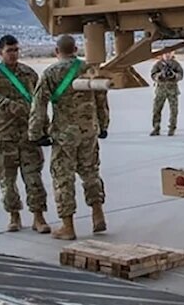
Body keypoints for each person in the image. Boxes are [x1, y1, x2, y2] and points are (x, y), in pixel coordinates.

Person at [29, 34, 109, 240]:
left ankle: (68, 226)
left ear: (57, 52)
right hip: (89, 131)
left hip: (64, 135)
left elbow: (39, 105)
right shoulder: (89, 69)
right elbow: (101, 98)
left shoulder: (50, 73)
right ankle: (97, 213)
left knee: (63, 178)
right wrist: (103, 125)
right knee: (91, 172)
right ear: (75, 49)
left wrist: (36, 133)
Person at [0, 34, 49, 234]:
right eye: (9, 50)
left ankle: (38, 217)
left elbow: (39, 101)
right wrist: (11, 106)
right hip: (4, 135)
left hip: (28, 135)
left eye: (16, 50)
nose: (13, 54)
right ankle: (14, 216)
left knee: (33, 177)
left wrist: (44, 126)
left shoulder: (28, 73)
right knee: (7, 180)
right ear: (0, 52)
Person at [149, 51, 184, 136]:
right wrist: (160, 75)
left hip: (172, 89)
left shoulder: (176, 64)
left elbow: (181, 75)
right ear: (162, 55)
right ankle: (156, 127)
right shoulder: (158, 64)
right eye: (166, 53)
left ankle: (172, 128)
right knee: (156, 109)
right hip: (161, 89)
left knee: (174, 110)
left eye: (169, 53)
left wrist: (174, 75)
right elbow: (153, 75)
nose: (167, 55)